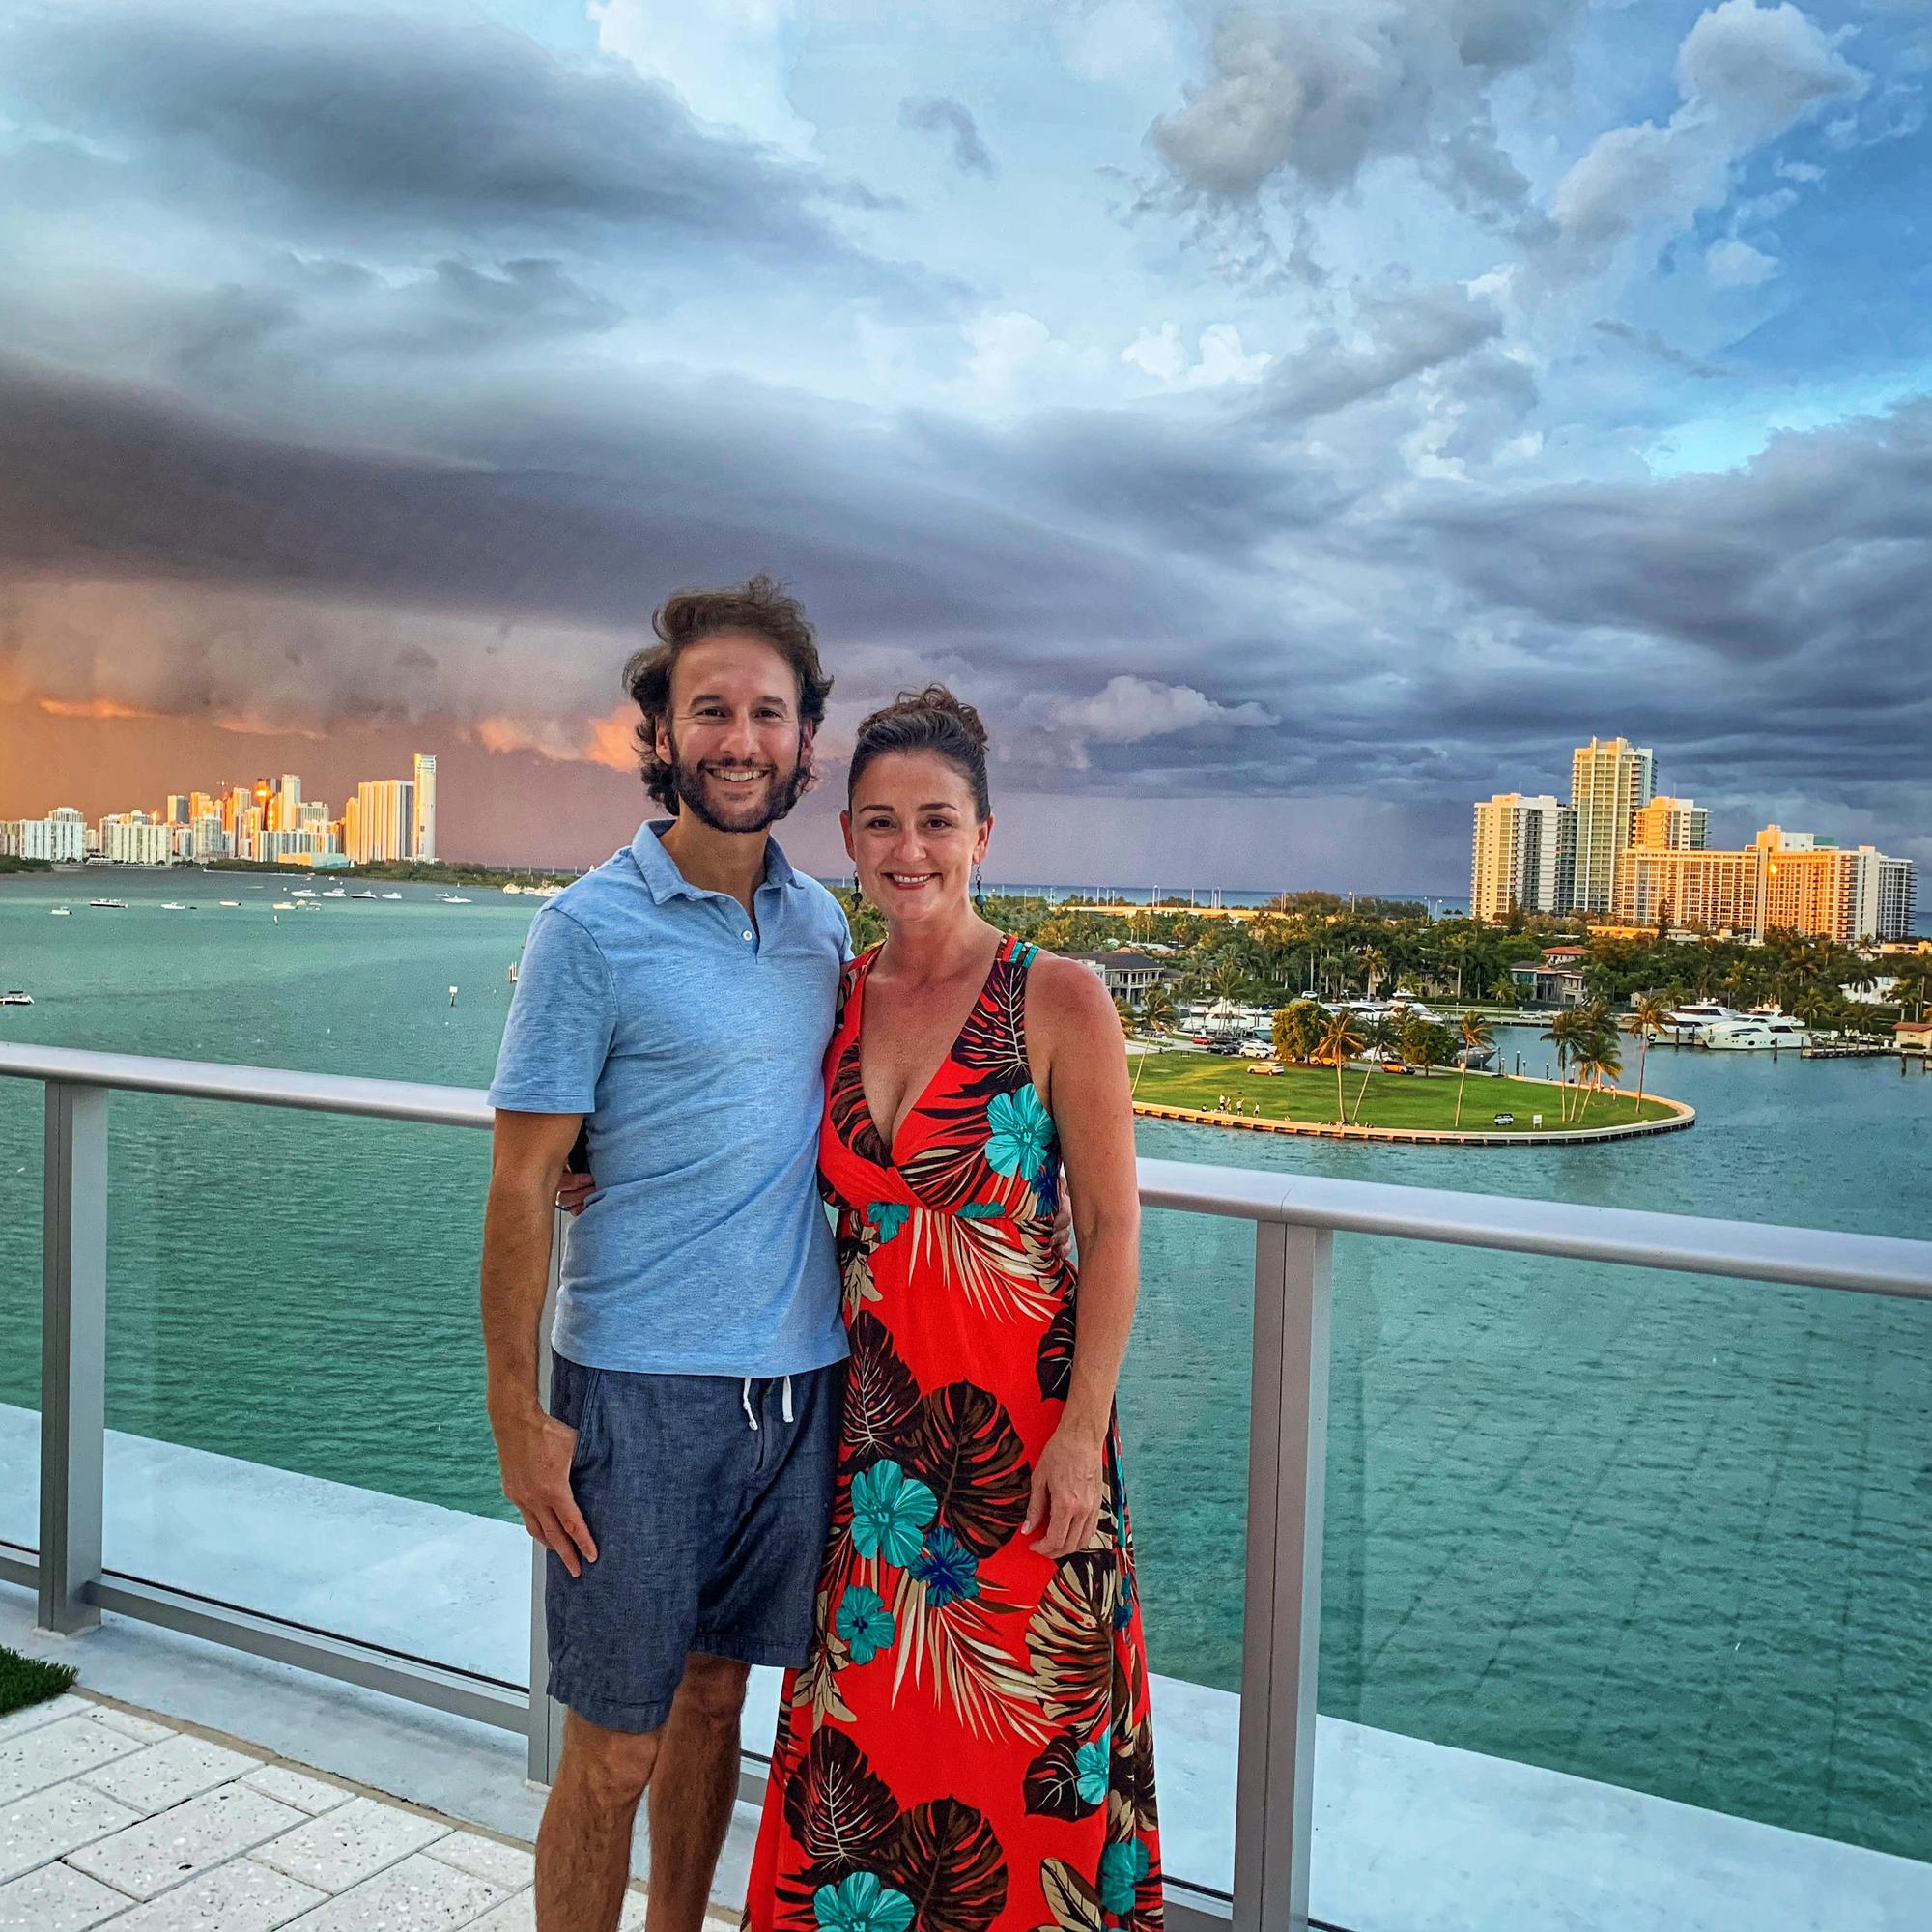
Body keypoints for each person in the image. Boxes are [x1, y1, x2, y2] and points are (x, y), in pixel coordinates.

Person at [743, 688, 1162, 1932]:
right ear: (848, 838)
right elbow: (744, 1149)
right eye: (880, 821)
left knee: (1024, 1750)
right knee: (868, 1763)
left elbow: (1114, 1230)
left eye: (936, 820)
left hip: (1026, 1446)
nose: (908, 847)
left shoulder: (1058, 996)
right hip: (870, 1455)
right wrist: (594, 1161)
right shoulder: (833, 995)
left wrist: (1082, 1435)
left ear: (985, 832)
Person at [480, 577, 853, 1932]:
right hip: (634, 1397)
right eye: (711, 711)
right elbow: (525, 1182)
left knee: (714, 1707)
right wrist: (517, 1416)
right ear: (661, 733)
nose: (741, 740)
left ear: (806, 740)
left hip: (797, 1390)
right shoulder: (586, 930)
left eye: (768, 713)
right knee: (613, 1752)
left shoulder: (823, 927)